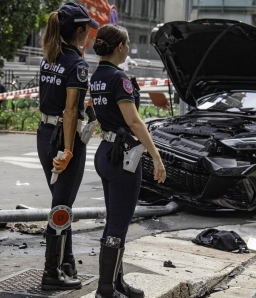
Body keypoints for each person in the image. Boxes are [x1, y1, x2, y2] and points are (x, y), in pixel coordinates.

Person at [91, 24, 167, 298]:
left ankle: (115, 283)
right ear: (120, 47)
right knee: (119, 224)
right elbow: (134, 121)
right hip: (122, 158)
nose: (128, 47)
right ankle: (105, 290)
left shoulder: (97, 76)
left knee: (114, 221)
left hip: (106, 153)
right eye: (127, 43)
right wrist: (156, 156)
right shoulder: (118, 78)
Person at [37, 2, 99, 291]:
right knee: (61, 207)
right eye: (88, 31)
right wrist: (70, 150)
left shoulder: (49, 56)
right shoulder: (77, 64)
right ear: (79, 31)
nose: (89, 36)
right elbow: (71, 111)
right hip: (64, 136)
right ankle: (51, 272)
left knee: (61, 202)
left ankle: (66, 263)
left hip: (44, 133)